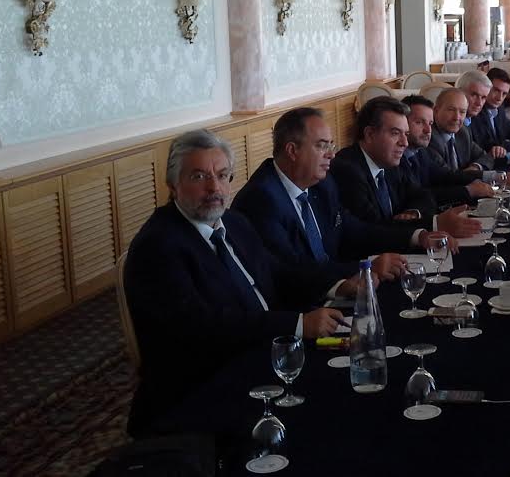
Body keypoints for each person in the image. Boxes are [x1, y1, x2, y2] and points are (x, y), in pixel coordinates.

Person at [124, 129, 358, 436]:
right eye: (199, 177)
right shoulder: (158, 247)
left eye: (222, 175)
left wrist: (339, 285)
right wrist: (298, 324)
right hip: (205, 387)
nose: (214, 188)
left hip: (264, 354)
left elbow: (278, 272)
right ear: (173, 184)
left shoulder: (233, 222)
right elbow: (205, 327)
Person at [231, 108, 458, 283]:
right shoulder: (261, 200)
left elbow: (354, 230)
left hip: (335, 288)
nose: (331, 154)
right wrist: (366, 267)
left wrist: (418, 237)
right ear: (292, 151)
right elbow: (291, 270)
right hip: (303, 309)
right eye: (322, 146)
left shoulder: (322, 184)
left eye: (331, 145)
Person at [329, 96, 438, 226]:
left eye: (406, 134)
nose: (404, 143)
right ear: (369, 134)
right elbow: (374, 228)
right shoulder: (347, 170)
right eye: (395, 133)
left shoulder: (390, 161)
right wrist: (435, 224)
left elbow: (424, 196)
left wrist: (413, 213)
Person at [400, 94, 494, 208]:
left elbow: (447, 176)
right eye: (419, 122)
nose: (428, 130)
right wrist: (468, 190)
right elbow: (419, 195)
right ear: (402, 124)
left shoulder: (421, 152)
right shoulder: (396, 158)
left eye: (430, 123)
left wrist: (493, 177)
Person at [469, 67, 510, 161]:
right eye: (496, 90)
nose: (499, 98)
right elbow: (488, 146)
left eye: (504, 94)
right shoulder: (475, 111)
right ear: (486, 87)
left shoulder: (499, 107)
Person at [426, 87, 495, 172]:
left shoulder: (463, 132)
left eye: (462, 112)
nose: (457, 118)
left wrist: (475, 167)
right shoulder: (429, 137)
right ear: (436, 111)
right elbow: (447, 176)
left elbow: (486, 157)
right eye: (451, 110)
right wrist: (471, 174)